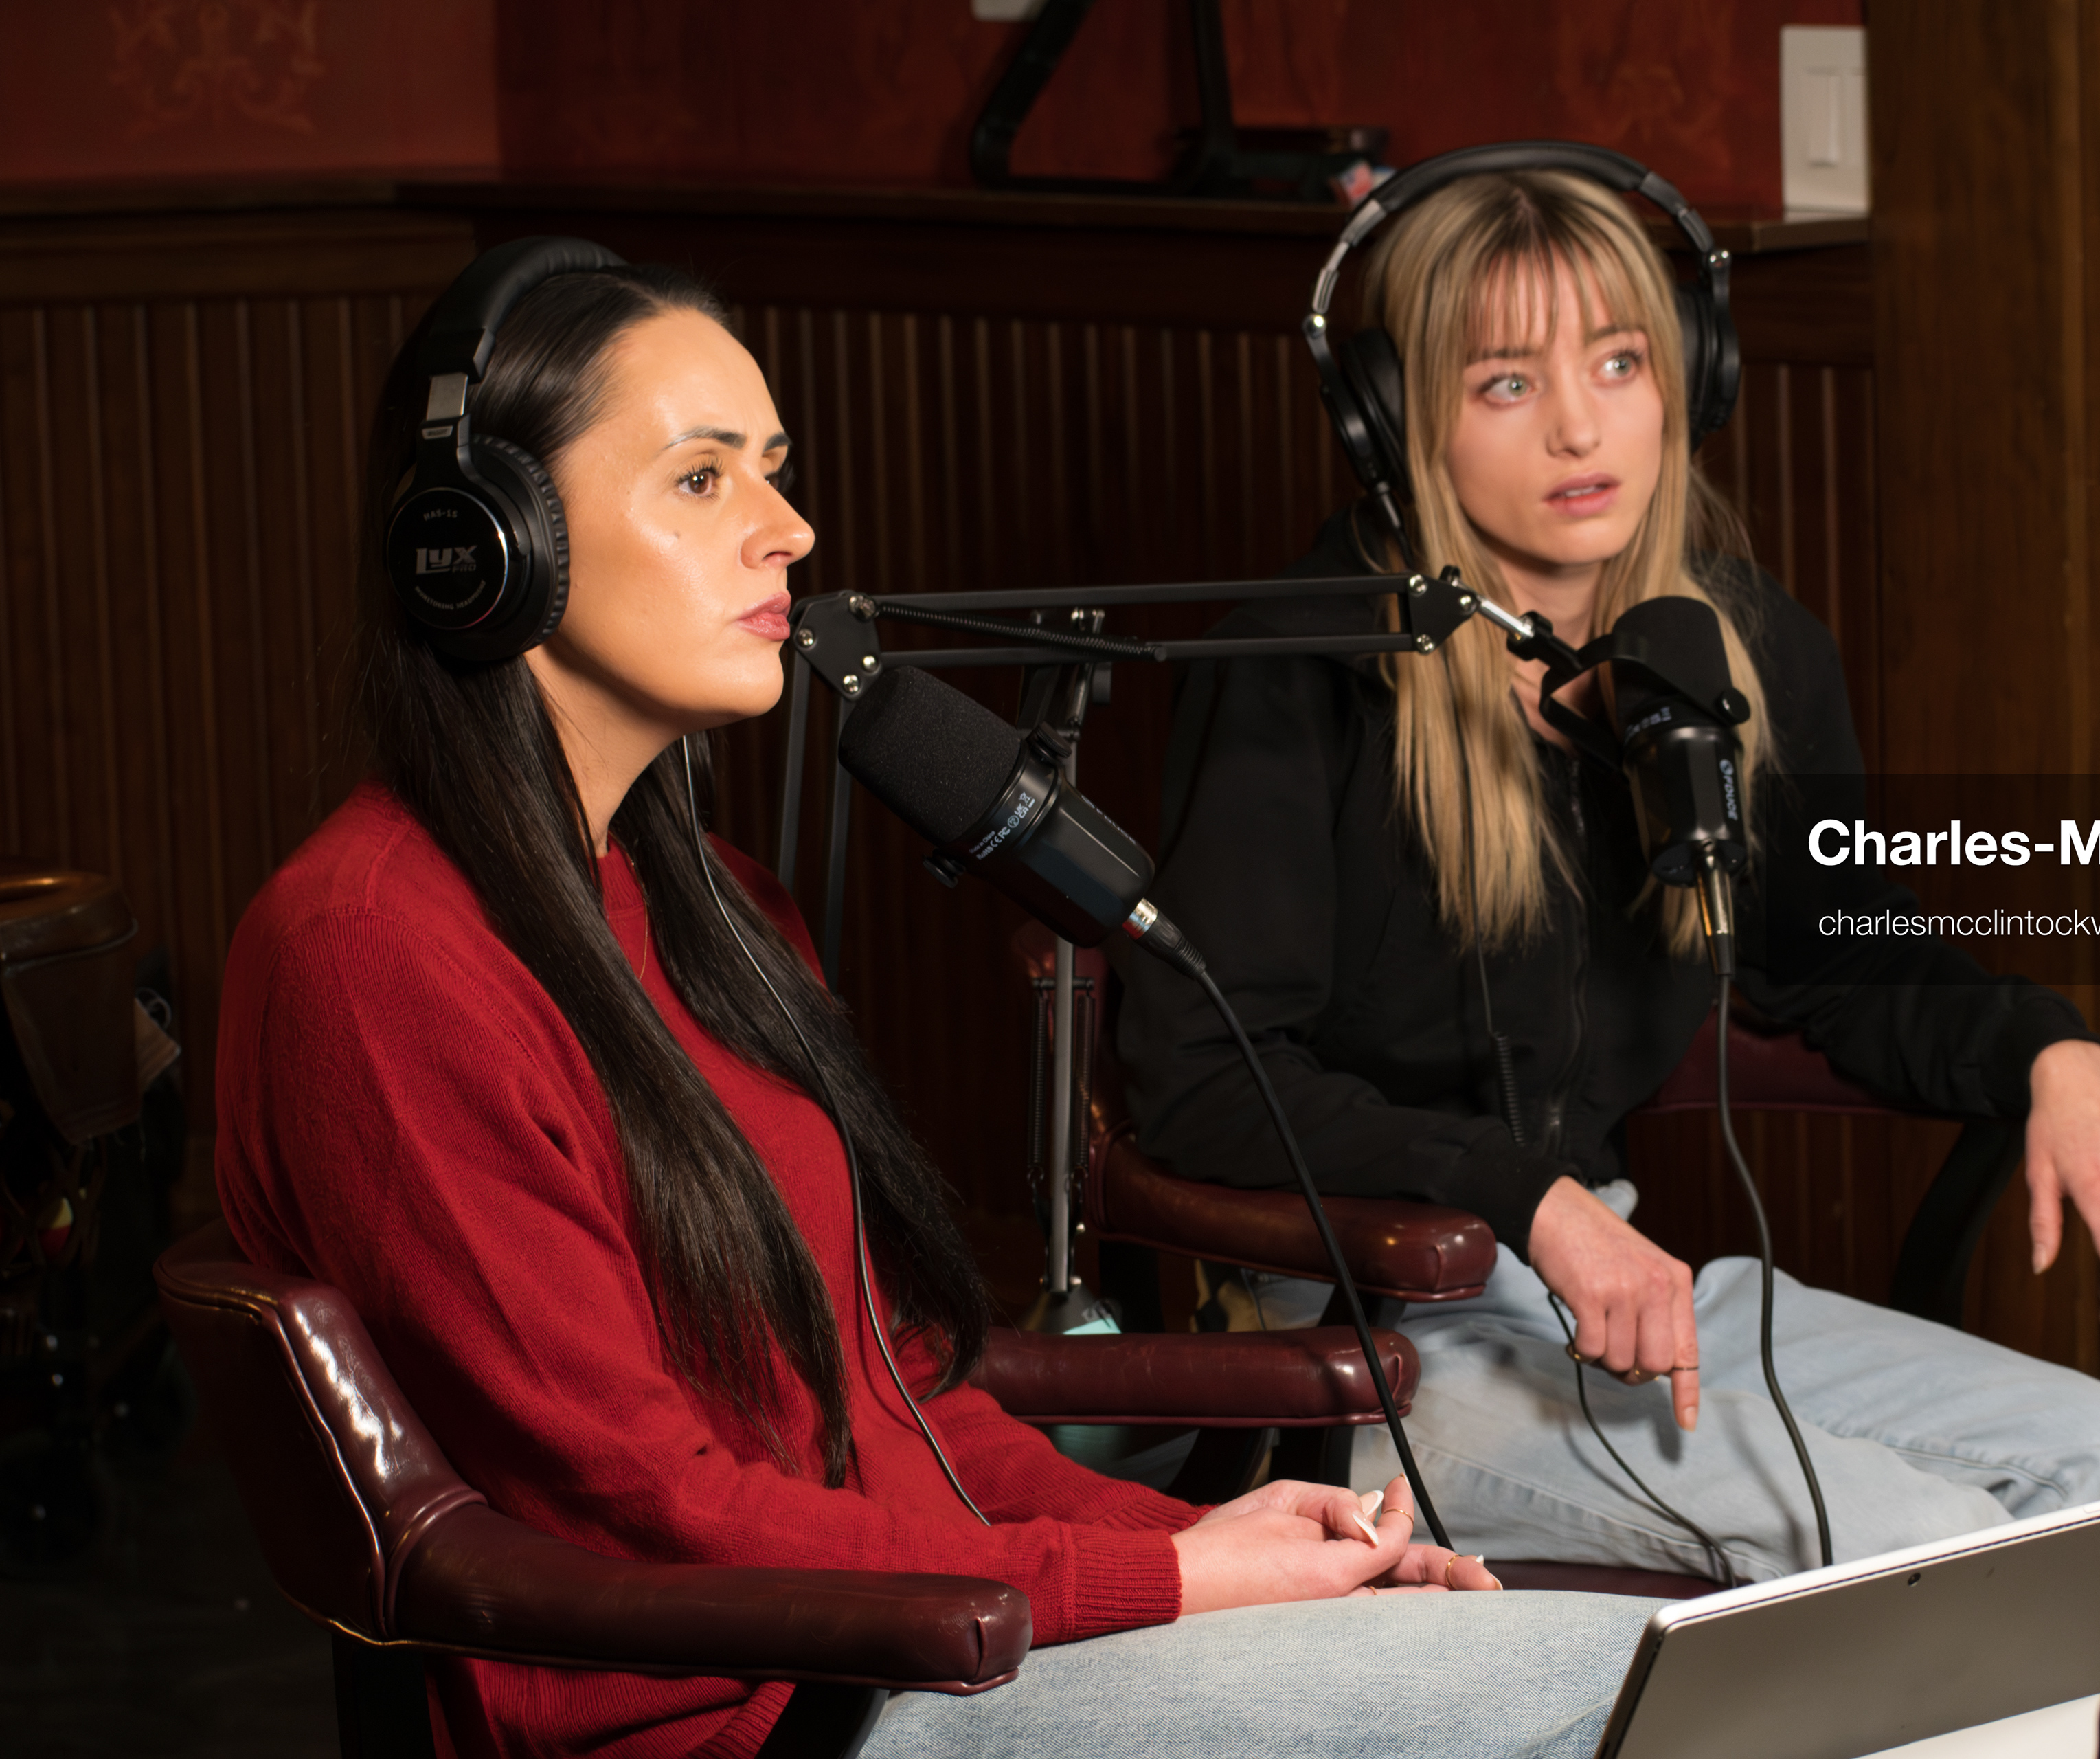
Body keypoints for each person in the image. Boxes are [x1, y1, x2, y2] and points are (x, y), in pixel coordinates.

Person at [213, 251, 1658, 1759]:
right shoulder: (376, 949)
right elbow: (652, 1502)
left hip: (909, 1651)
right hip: (756, 1715)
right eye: (700, 481)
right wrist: (1163, 1580)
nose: (791, 528)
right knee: (1628, 1687)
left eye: (770, 469)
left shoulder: (715, 904)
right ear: (484, 545)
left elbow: (893, 1407)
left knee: (1610, 1666)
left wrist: (1226, 1549)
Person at [1111, 168, 2100, 1755]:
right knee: (1914, 1534)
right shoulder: (1302, 664)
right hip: (1366, 1337)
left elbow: (1839, 964)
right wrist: (1526, 1199)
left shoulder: (1734, 645)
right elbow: (1201, 1076)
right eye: (1508, 381)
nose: (1581, 429)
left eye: (1620, 363)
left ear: (1687, 374)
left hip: (1627, 1289)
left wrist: (2050, 1046)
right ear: (1396, 417)